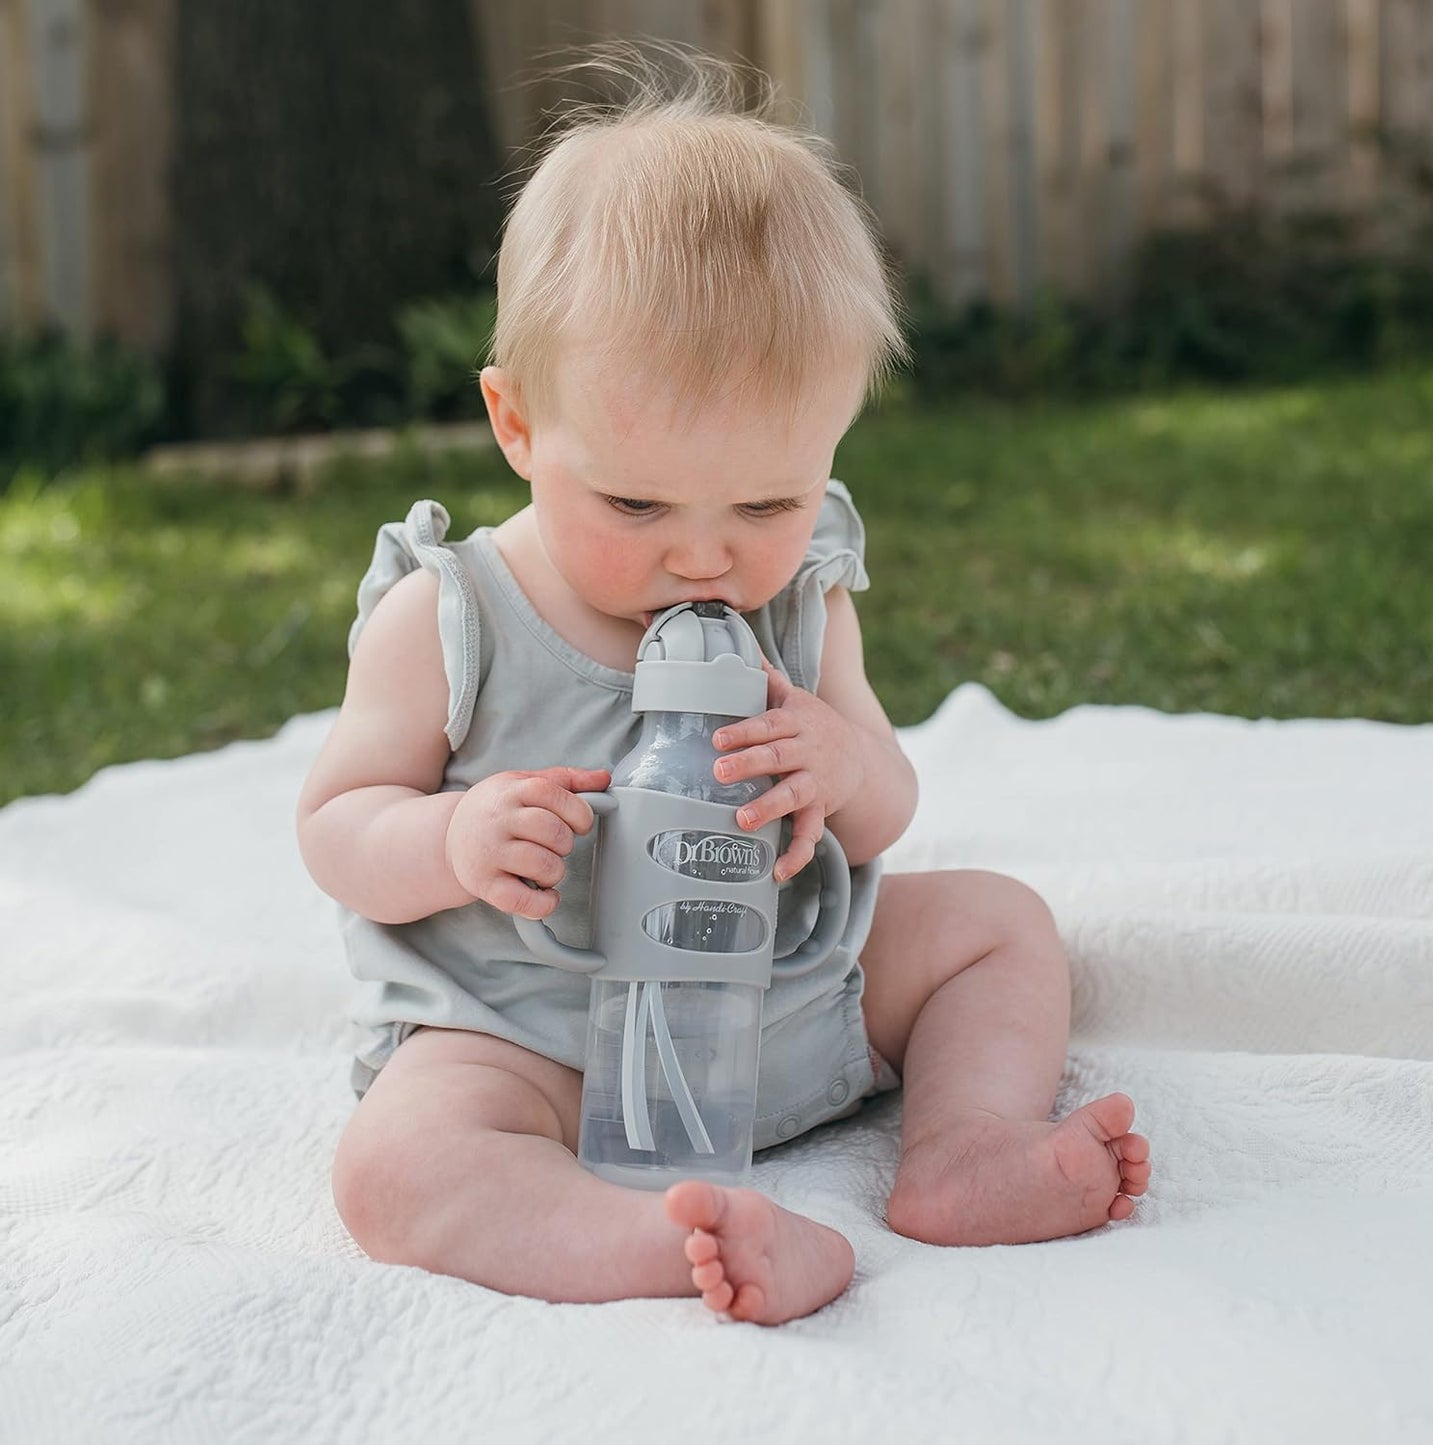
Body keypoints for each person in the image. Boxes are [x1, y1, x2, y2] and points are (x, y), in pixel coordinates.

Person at [296, 43, 1150, 1326]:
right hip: (538, 1046)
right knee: (392, 1165)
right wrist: (452, 835)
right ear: (517, 424)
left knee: (995, 923)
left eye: (765, 499)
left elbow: (883, 798)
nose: (703, 554)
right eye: (634, 501)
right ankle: (660, 1235)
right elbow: (335, 823)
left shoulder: (800, 591)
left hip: (790, 1004)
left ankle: (964, 1146)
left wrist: (847, 766)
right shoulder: (452, 614)